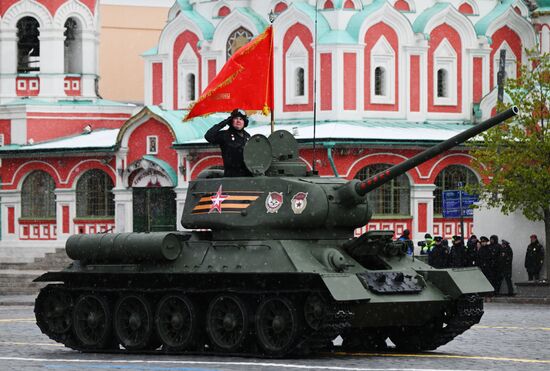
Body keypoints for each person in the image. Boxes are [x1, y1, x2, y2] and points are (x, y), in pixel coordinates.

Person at [204, 108, 252, 177]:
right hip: (232, 176)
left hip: (248, 176)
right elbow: (208, 136)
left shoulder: (248, 137)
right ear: (231, 120)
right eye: (236, 118)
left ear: (245, 122)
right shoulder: (225, 135)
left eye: (241, 119)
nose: (238, 121)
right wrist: (223, 123)